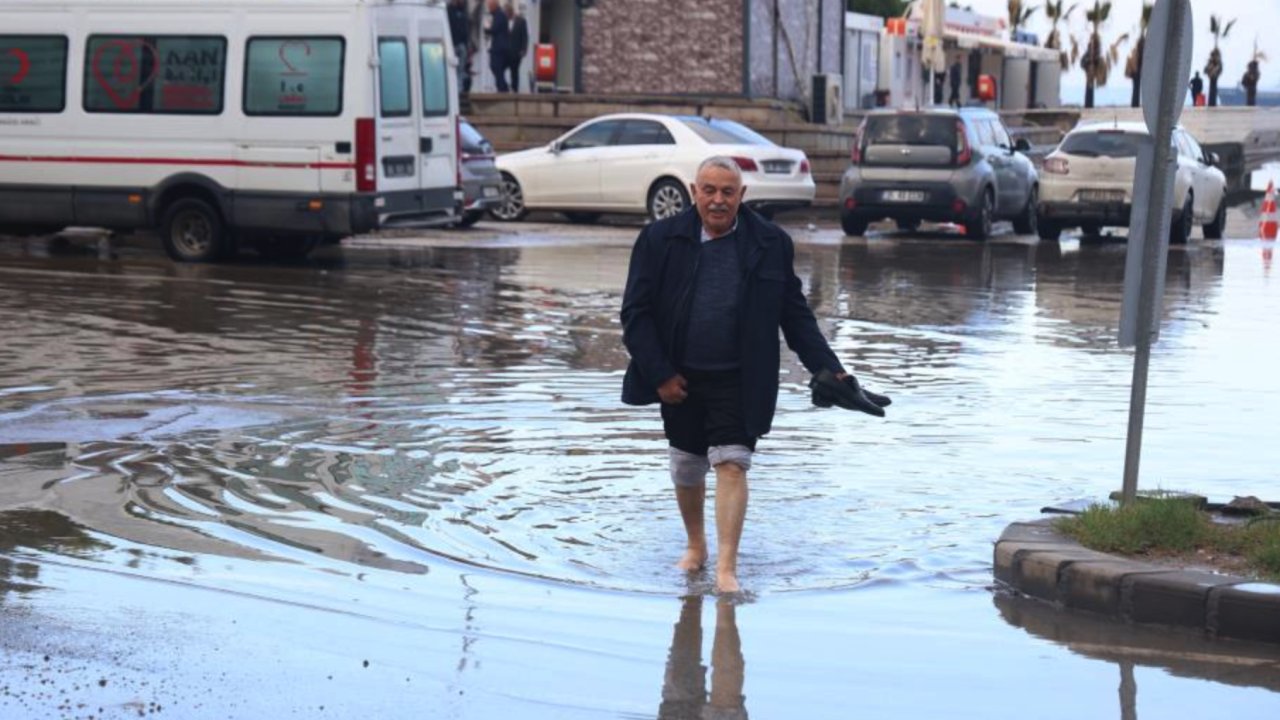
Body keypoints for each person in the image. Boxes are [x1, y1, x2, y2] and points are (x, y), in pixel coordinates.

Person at [620, 156, 890, 594]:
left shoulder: (769, 243)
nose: (718, 200)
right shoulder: (659, 239)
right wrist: (660, 374)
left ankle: (726, 569)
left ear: (742, 196)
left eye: (728, 192)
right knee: (687, 467)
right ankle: (696, 547)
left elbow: (795, 315)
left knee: (731, 463)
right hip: (679, 377)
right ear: (694, 192)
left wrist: (833, 372)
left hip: (740, 378)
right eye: (709, 190)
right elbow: (636, 314)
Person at [484, 0, 511, 92]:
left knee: (495, 66)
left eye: (489, 6)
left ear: (494, 6)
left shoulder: (499, 15)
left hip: (499, 48)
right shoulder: (498, 15)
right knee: (497, 68)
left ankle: (503, 87)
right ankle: (502, 86)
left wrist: (486, 29)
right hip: (500, 47)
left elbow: (494, 29)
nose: (489, 8)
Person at [447, 0, 470, 95]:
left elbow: (465, 28)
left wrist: (466, 44)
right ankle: (454, 88)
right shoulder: (449, 10)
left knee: (460, 69)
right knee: (452, 68)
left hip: (461, 44)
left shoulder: (463, 10)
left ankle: (459, 89)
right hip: (452, 44)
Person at [507, 3, 529, 94]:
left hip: (516, 52)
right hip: (506, 51)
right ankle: (504, 86)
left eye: (508, 13)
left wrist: (524, 49)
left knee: (514, 71)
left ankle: (514, 89)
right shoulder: (504, 21)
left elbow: (525, 36)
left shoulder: (521, 21)